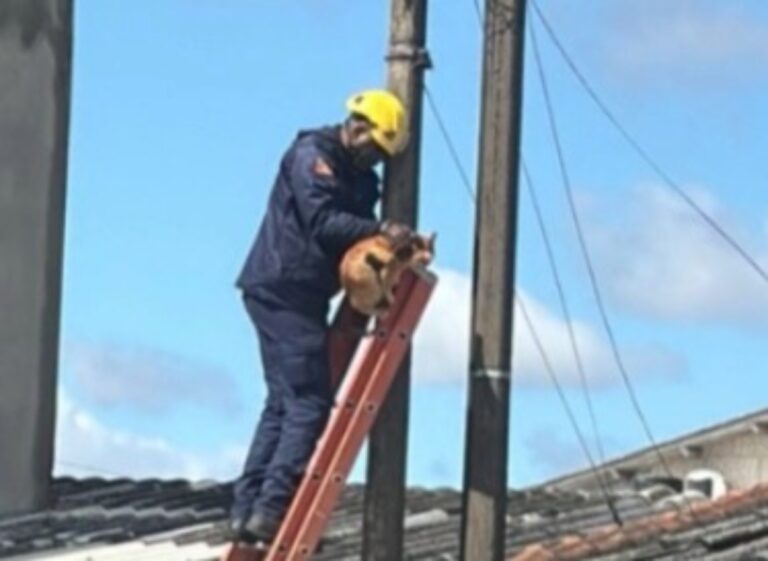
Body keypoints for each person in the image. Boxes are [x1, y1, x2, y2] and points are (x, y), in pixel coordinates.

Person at [230, 89, 413, 544]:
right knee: (309, 404)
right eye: (372, 150)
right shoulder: (312, 155)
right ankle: (272, 509)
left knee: (283, 403)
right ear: (356, 126)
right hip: (283, 287)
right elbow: (325, 222)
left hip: (301, 294)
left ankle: (249, 512)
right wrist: (380, 230)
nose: (373, 161)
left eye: (380, 157)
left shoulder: (361, 180)